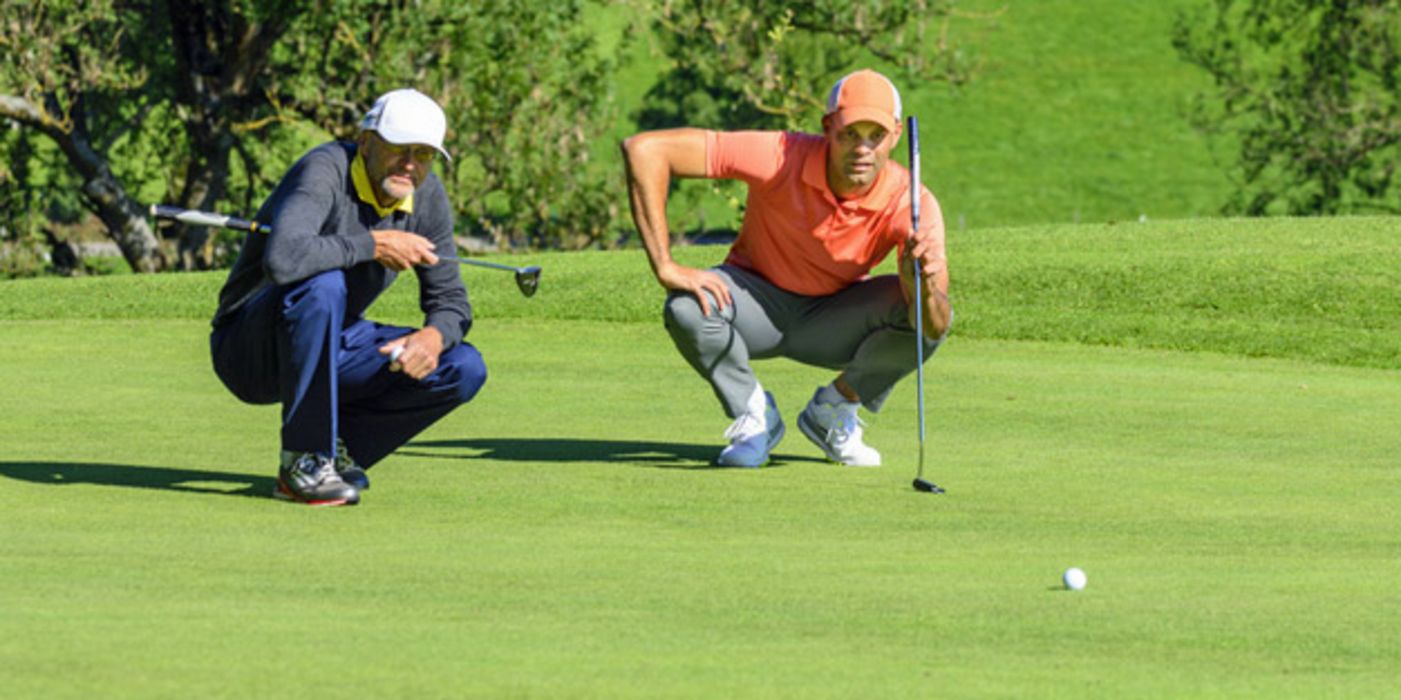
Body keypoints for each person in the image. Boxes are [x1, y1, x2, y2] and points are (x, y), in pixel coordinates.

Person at [620, 69, 951, 468]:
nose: (862, 149)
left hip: (833, 320)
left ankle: (832, 410)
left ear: (895, 136)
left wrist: (923, 281)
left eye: (875, 136)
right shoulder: (780, 154)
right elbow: (645, 150)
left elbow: (932, 325)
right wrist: (665, 264)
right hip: (753, 302)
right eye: (849, 133)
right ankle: (755, 415)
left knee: (929, 319)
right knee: (687, 308)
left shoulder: (913, 203)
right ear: (828, 127)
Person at [210, 88, 486, 506]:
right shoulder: (324, 170)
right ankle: (303, 460)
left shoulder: (426, 198)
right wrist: (373, 244)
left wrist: (433, 337)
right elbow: (284, 260)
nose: (409, 165)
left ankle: (337, 451)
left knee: (462, 366)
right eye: (398, 149)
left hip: (329, 343)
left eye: (424, 154)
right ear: (366, 142)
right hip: (249, 347)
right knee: (324, 285)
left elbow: (450, 300)